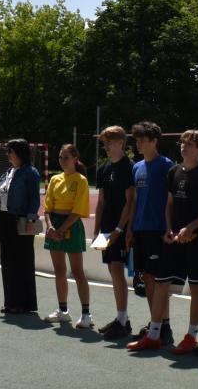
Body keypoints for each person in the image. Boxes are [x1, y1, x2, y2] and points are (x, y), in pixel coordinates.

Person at [129, 130, 198, 352]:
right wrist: (169, 228)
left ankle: (191, 337)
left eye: (190, 144)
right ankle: (154, 334)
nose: (184, 147)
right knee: (161, 283)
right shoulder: (174, 172)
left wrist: (191, 227)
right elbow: (169, 203)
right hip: (174, 239)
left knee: (196, 287)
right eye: (182, 143)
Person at [128, 122, 176, 346]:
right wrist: (130, 227)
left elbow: (171, 200)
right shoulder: (137, 167)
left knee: (159, 280)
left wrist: (169, 227)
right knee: (147, 278)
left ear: (154, 141)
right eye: (136, 139)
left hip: (158, 230)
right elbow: (135, 200)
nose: (138, 143)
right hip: (140, 230)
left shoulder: (166, 165)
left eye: (143, 139)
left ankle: (164, 327)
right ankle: (155, 324)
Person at [43, 144, 93, 327]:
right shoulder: (54, 179)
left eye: (66, 157)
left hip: (71, 226)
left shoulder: (81, 180)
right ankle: (63, 311)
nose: (63, 161)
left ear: (75, 159)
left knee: (77, 271)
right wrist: (50, 227)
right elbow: (47, 207)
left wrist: (62, 230)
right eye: (60, 157)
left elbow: (78, 210)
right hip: (54, 227)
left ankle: (86, 314)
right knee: (59, 270)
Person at [94, 127, 136, 339]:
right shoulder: (103, 169)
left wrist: (120, 229)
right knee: (112, 269)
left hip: (121, 229)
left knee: (117, 269)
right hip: (106, 229)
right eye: (104, 143)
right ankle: (122, 318)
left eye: (109, 143)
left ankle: (122, 321)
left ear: (121, 142)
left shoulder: (130, 167)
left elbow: (131, 201)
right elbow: (101, 202)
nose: (106, 147)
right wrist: (96, 230)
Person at [0, 139, 42, 314]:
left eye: (10, 151)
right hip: (5, 220)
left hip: (21, 220)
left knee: (22, 262)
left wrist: (31, 220)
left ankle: (24, 304)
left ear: (20, 152)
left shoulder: (30, 173)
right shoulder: (7, 173)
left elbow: (34, 199)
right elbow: (0, 200)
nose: (7, 154)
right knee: (7, 263)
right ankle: (10, 302)